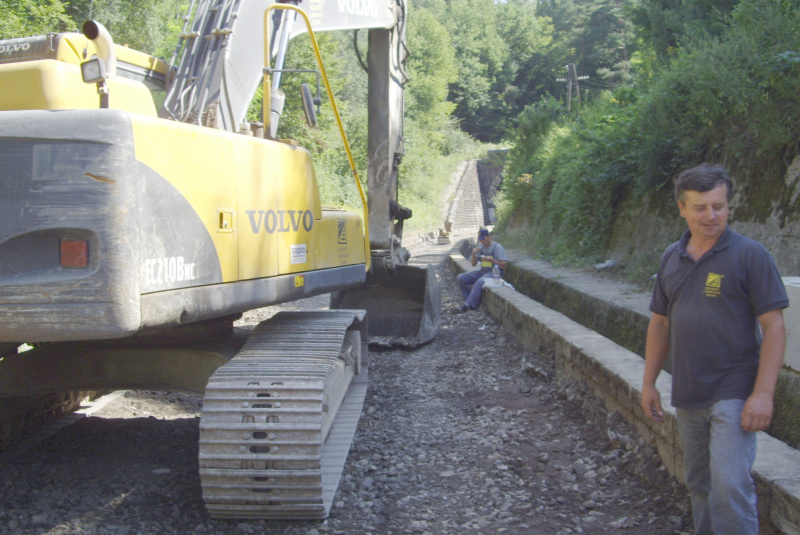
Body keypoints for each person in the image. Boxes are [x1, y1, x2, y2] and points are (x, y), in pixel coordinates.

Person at [640, 164, 788, 535]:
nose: (711, 216)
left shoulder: (750, 255)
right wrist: (649, 383)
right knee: (700, 485)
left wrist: (763, 394)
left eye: (719, 206)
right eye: (701, 207)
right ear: (681, 208)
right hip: (689, 390)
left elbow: (774, 327)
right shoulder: (671, 258)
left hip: (734, 388)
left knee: (730, 485)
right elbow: (659, 323)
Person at [455, 229, 508, 312]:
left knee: (480, 281)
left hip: (494, 272)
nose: (483, 241)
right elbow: (473, 264)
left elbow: (504, 265)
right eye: (481, 240)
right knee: (461, 277)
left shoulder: (497, 247)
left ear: (489, 236)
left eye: (484, 239)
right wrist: (473, 254)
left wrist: (492, 260)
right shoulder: (481, 248)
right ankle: (471, 299)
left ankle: (467, 305)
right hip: (482, 271)